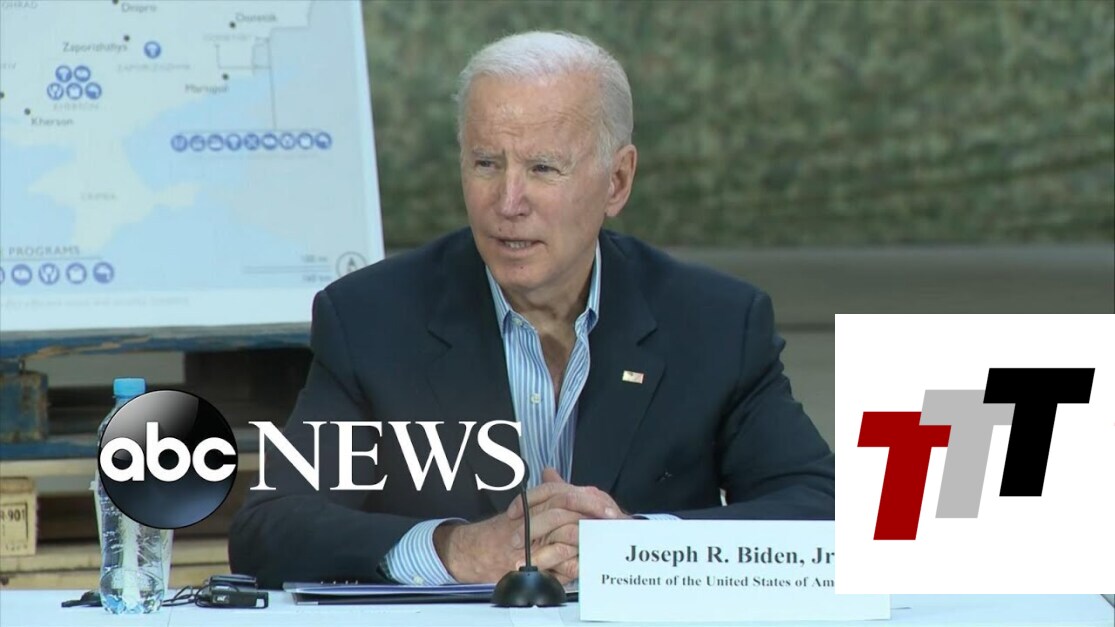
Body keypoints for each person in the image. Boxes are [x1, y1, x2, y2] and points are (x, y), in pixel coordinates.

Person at [229, 30, 834, 589]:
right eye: (486, 164)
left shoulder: (716, 323)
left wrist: (638, 546)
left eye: (543, 168)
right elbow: (271, 529)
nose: (508, 202)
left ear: (617, 182)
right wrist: (455, 550)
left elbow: (822, 510)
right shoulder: (373, 320)